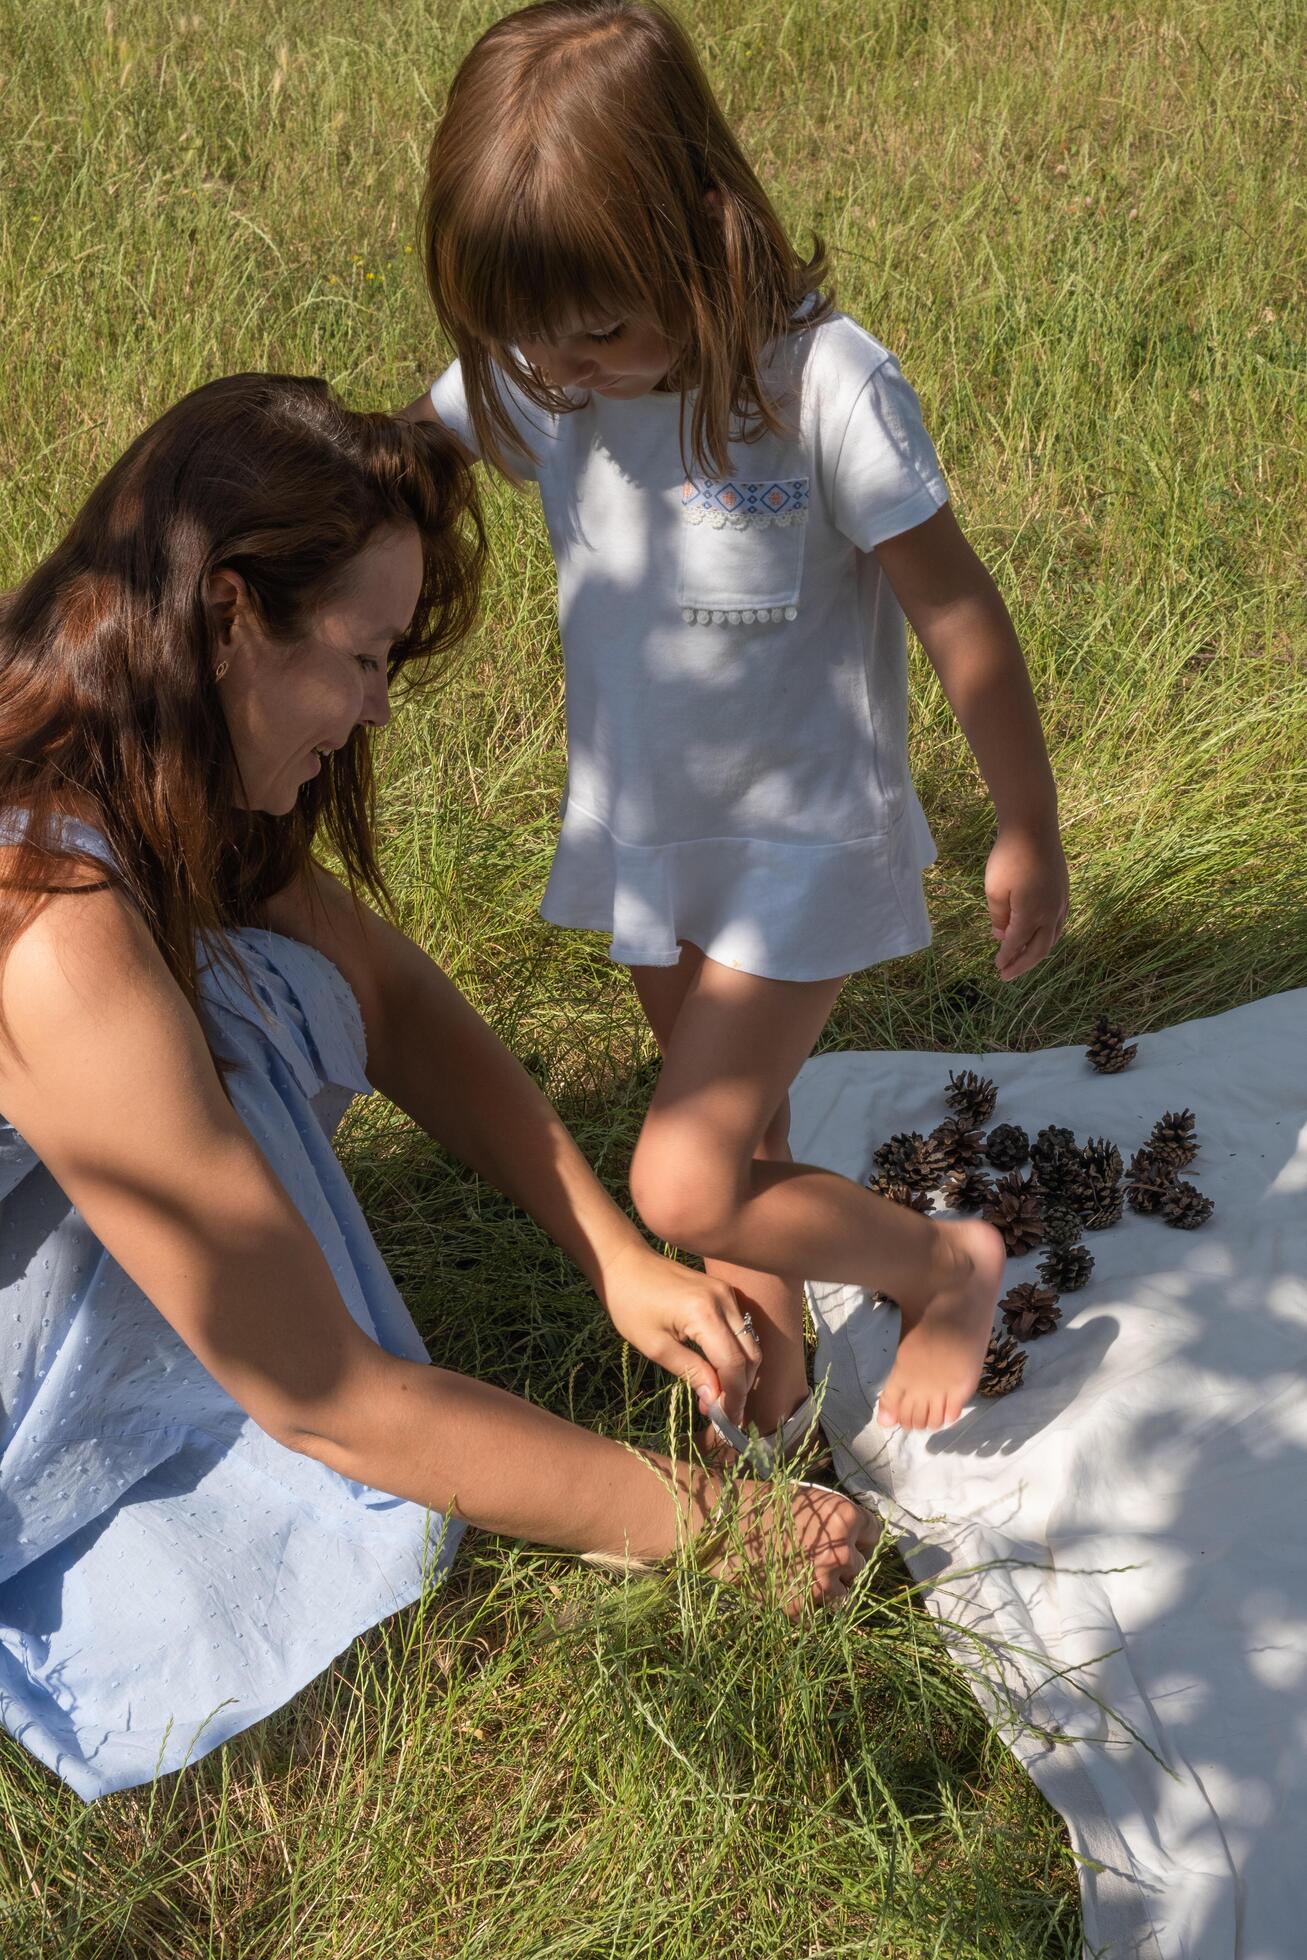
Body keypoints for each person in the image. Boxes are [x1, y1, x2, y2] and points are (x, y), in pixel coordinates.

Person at [0, 374, 873, 1801]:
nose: (377, 706)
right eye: (358, 657)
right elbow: (330, 1396)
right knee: (237, 1059)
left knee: (268, 988)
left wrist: (614, 1259)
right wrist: (700, 1524)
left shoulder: (129, 745)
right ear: (229, 614)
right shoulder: (55, 938)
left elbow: (388, 998)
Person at [404, 0, 1069, 1441]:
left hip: (801, 848)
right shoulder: (547, 368)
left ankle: (943, 1263)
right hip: (653, 842)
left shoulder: (822, 385)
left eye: (596, 333)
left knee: (684, 1182)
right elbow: (408, 452)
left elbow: (960, 612)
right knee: (739, 1146)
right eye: (525, 342)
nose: (559, 374)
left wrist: (1026, 822)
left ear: (701, 237)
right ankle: (771, 1400)